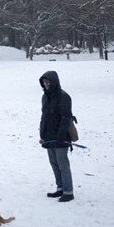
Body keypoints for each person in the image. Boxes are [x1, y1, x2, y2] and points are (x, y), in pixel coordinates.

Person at [39, 70, 74, 202]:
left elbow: (66, 117)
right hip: (48, 136)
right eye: (44, 82)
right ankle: (60, 188)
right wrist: (42, 132)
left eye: (48, 81)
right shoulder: (45, 97)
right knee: (54, 163)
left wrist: (61, 136)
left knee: (62, 164)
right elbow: (44, 116)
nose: (46, 84)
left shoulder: (64, 96)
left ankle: (68, 191)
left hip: (61, 137)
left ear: (54, 82)